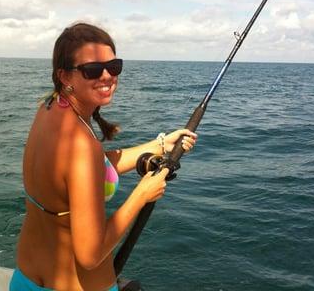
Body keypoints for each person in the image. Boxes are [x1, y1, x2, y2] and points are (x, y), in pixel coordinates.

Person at [11, 23, 197, 291]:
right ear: (65, 76)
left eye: (114, 66)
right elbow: (89, 255)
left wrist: (160, 145)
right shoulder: (82, 145)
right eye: (93, 70)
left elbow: (84, 169)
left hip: (25, 281)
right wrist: (141, 194)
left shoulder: (49, 108)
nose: (108, 76)